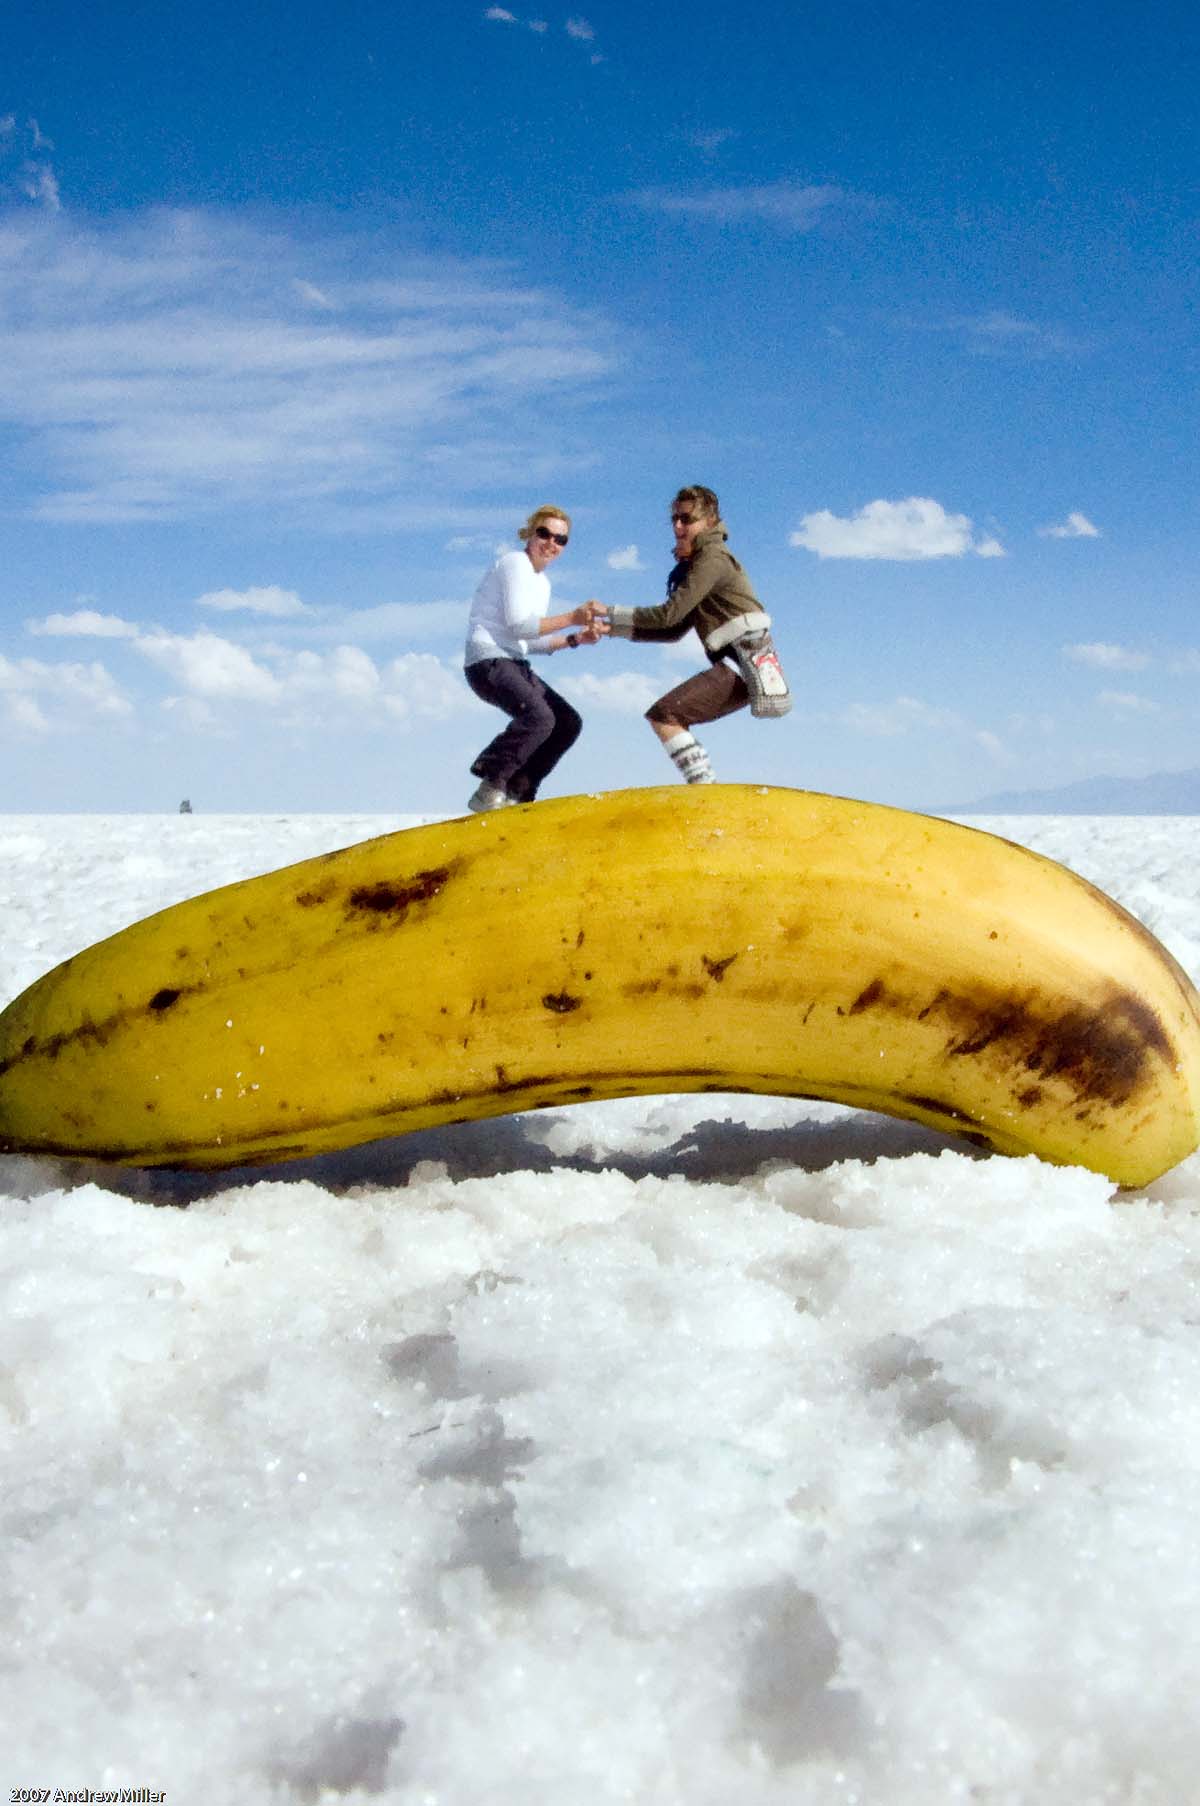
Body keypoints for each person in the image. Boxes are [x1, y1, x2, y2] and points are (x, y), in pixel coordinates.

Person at [601, 485, 790, 784]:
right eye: (674, 519)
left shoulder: (712, 558)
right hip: (737, 666)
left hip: (739, 664)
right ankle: (703, 786)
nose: (678, 526)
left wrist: (610, 612)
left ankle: (704, 787)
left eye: (686, 519)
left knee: (665, 714)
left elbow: (668, 614)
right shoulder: (701, 561)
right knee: (666, 715)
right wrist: (610, 630)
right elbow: (674, 629)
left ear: (709, 521)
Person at [463, 505, 606, 811]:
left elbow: (531, 640)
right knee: (540, 718)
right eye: (545, 533)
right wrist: (573, 616)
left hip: (513, 661)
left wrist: (576, 638)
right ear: (529, 534)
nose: (551, 543)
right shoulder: (515, 563)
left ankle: (519, 792)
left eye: (561, 539)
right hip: (487, 660)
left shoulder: (542, 583)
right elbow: (518, 625)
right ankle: (490, 786)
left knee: (567, 722)